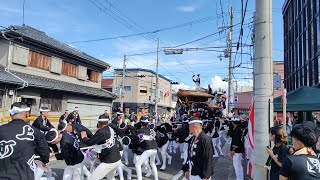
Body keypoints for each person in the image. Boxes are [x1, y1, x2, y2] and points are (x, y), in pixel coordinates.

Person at [0, 102, 49, 180]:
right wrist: (44, 161)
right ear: (26, 114)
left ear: (11, 115)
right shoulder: (34, 131)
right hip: (24, 176)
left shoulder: (1, 129)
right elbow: (44, 151)